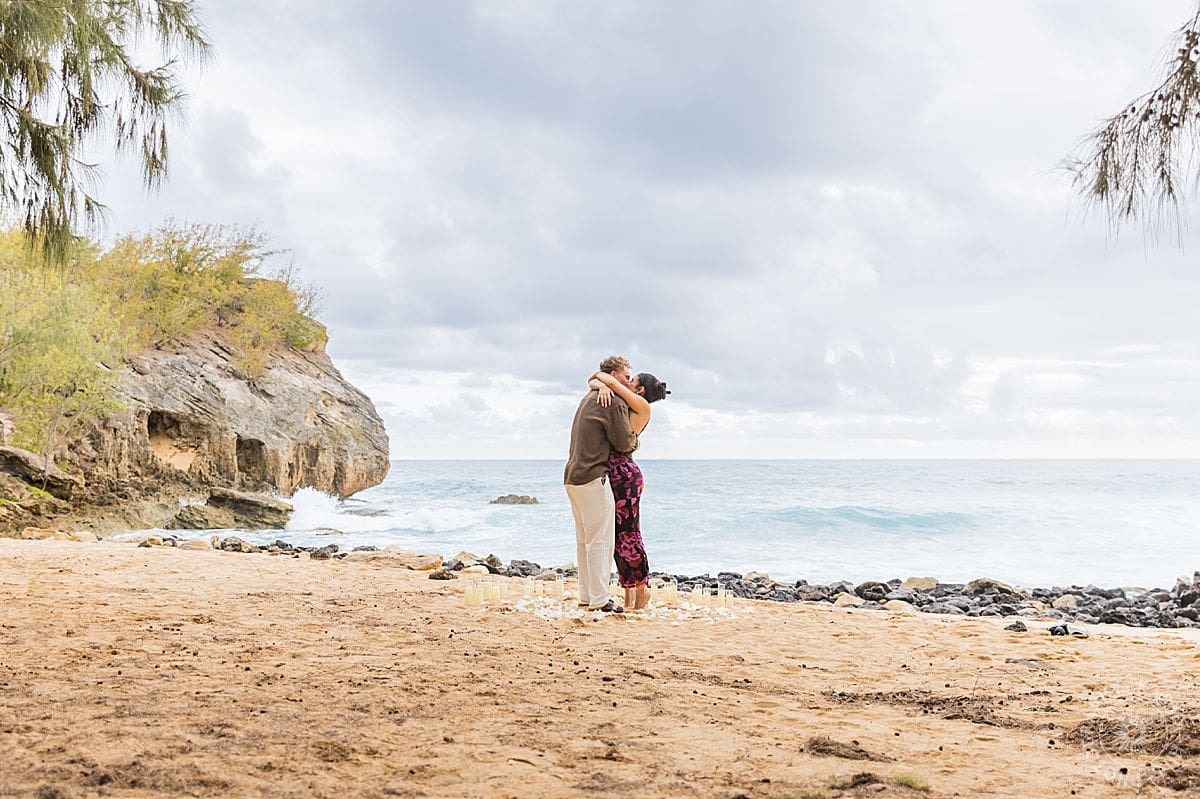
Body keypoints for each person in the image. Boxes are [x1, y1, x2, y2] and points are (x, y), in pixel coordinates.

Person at [563, 355, 640, 613]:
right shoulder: (612, 401)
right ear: (615, 374)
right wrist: (635, 441)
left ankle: (587, 595)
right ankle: (599, 598)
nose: (629, 382)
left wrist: (598, 383)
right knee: (600, 540)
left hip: (573, 475)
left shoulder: (589, 396)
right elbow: (622, 442)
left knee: (584, 539)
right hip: (593, 476)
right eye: (627, 377)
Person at [590, 369, 670, 611]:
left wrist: (603, 382)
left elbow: (607, 379)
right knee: (617, 537)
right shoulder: (627, 400)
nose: (628, 380)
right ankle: (628, 594)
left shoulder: (642, 405)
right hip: (614, 473)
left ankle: (642, 590)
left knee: (630, 535)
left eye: (632, 379)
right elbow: (600, 379)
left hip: (625, 475)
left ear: (641, 389)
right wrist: (600, 384)